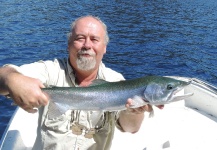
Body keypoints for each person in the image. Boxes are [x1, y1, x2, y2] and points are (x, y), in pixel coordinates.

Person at [0, 15, 162, 150]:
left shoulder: (116, 81)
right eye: (80, 38)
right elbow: (3, 77)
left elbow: (130, 128)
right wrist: (11, 78)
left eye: (94, 39)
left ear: (104, 47)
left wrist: (134, 111)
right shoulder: (50, 71)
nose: (87, 45)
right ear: (69, 44)